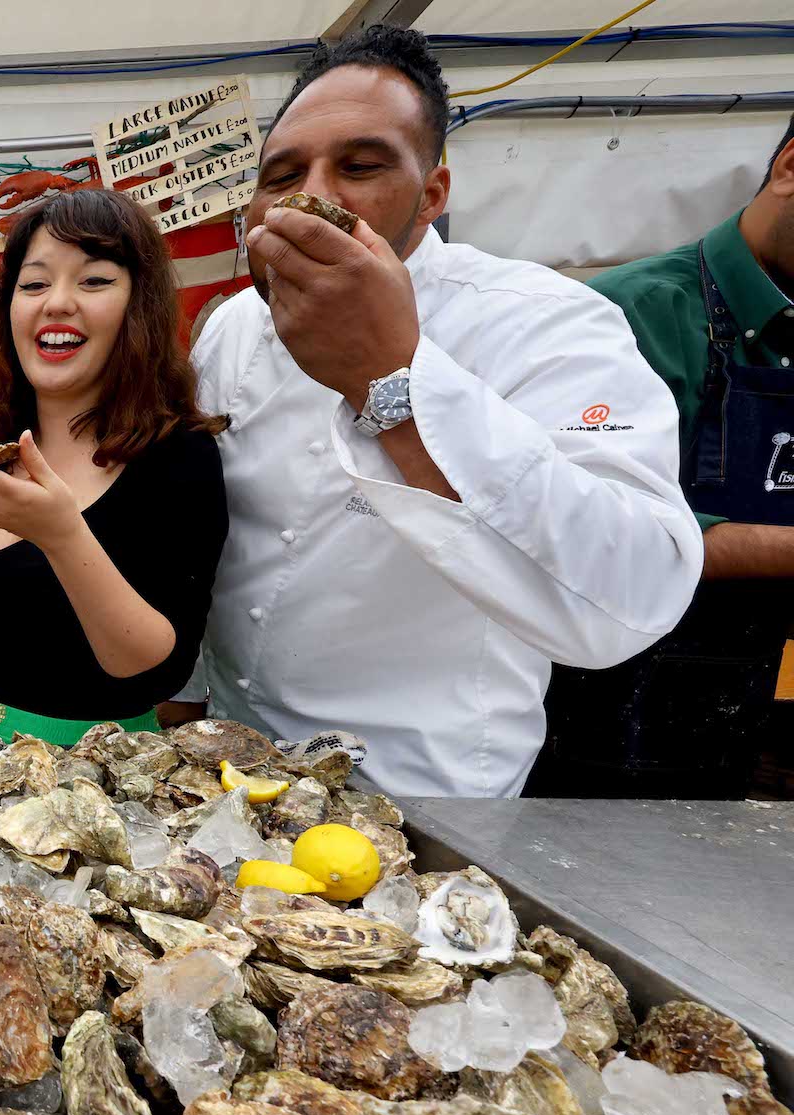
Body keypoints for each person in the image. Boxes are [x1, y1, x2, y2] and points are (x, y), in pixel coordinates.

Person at [189, 25, 703, 798]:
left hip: (422, 793)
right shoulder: (231, 327)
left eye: (360, 166)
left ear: (432, 195)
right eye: (283, 173)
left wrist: (389, 382)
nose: (314, 196)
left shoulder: (545, 322)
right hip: (231, 765)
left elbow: (632, 599)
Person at [0, 189, 226, 744]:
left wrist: (62, 535)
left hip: (94, 768)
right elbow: (9, 628)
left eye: (94, 280)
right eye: (35, 283)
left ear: (138, 306)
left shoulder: (178, 455)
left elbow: (157, 672)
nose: (57, 302)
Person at [531, 116, 794, 799]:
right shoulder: (635, 312)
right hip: (595, 731)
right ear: (790, 167)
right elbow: (592, 537)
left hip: (737, 727)